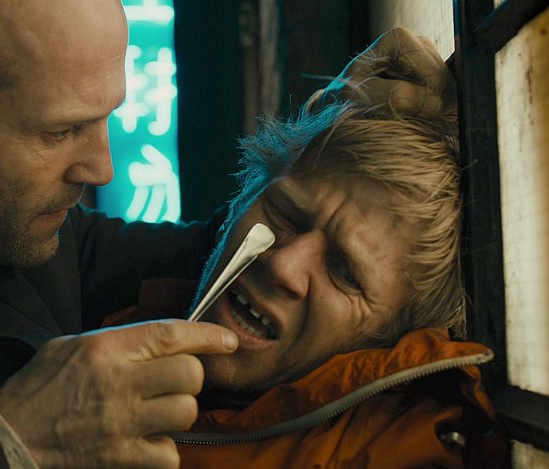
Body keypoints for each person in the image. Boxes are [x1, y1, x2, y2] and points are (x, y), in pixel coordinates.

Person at [0, 0, 456, 463]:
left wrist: (379, 128)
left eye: (106, 117)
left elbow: (244, 255)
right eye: (61, 130)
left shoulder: (29, 225)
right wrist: (9, 439)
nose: (100, 165)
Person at [108, 51, 505, 468]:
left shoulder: (398, 454)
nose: (284, 266)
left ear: (389, 341)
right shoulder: (122, 316)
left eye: (345, 272)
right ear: (243, 197)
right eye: (285, 213)